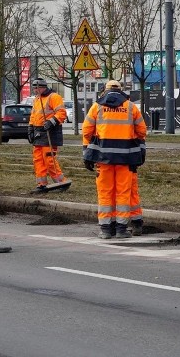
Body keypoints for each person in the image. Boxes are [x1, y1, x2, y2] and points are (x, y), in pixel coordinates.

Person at [82, 80, 147, 239]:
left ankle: (106, 229)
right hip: (126, 159)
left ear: (105, 90)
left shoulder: (97, 107)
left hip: (103, 160)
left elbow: (86, 131)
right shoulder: (131, 107)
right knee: (123, 193)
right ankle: (121, 229)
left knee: (105, 193)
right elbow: (142, 131)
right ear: (121, 90)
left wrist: (87, 153)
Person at [27, 78, 71, 193]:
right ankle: (41, 184)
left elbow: (62, 113)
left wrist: (51, 122)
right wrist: (30, 129)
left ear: (42, 87)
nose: (35, 91)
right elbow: (33, 115)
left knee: (49, 159)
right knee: (38, 159)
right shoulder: (37, 99)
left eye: (36, 88)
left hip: (50, 132)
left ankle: (61, 182)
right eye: (34, 89)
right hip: (38, 132)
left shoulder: (54, 97)